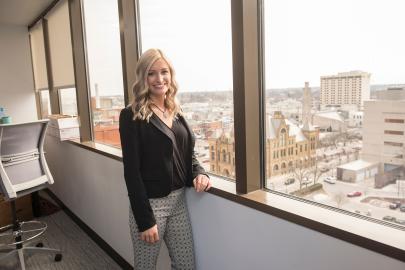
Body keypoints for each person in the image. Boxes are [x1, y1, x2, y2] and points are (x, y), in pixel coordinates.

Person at [119, 48, 211, 270]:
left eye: (164, 72)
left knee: (186, 265)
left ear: (171, 74)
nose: (159, 79)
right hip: (151, 206)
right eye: (151, 73)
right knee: (145, 267)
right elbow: (132, 172)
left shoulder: (175, 111)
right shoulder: (131, 115)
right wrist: (145, 220)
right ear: (143, 77)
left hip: (179, 202)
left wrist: (200, 172)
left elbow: (187, 154)